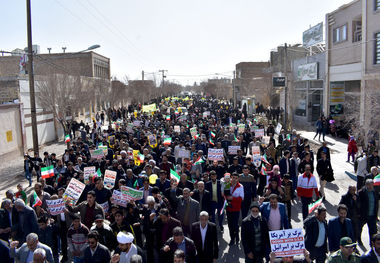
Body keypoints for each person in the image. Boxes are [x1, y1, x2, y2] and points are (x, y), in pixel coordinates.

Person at [357, 179, 378, 245]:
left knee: (373, 231)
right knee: (360, 229)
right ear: (366, 185)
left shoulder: (375, 192)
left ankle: (372, 244)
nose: (371, 187)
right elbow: (358, 204)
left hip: (372, 215)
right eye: (369, 185)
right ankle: (359, 240)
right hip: (363, 215)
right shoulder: (361, 192)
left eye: (372, 185)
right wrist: (359, 213)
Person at [226, 172, 244, 246]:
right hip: (228, 208)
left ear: (238, 179)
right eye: (233, 178)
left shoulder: (240, 186)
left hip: (236, 208)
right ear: (231, 178)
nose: (234, 179)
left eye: (236, 178)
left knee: (235, 225)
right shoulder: (227, 184)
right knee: (230, 225)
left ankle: (237, 236)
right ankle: (232, 239)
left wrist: (232, 198)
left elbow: (242, 198)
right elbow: (224, 194)